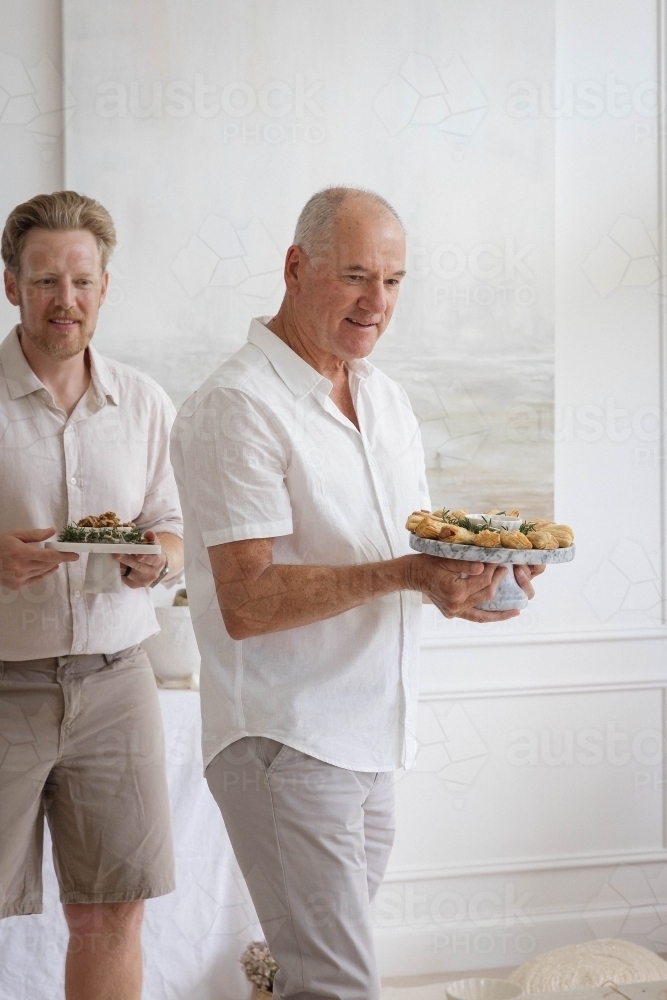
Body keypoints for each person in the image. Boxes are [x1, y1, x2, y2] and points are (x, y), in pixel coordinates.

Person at [171, 186, 543, 1000]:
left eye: (394, 280)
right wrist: (408, 574)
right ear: (296, 269)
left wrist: (480, 579)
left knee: (306, 978)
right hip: (285, 743)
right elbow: (248, 600)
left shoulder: (382, 398)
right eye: (354, 276)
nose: (377, 303)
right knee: (338, 987)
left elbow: (406, 554)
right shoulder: (237, 407)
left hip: (372, 738)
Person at [0, 191, 184, 1000]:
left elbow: (172, 525)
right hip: (3, 684)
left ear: (105, 287)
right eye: (45, 282)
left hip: (117, 681)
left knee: (113, 915)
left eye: (81, 281)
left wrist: (158, 559)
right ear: (11, 286)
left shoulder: (144, 403)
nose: (64, 301)